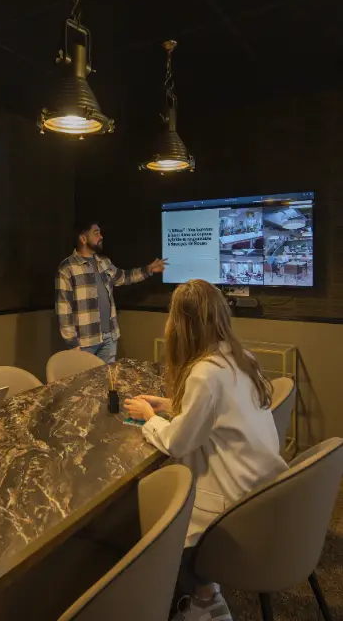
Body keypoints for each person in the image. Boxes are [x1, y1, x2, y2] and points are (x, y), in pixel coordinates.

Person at [124, 279, 287, 621]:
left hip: (234, 507)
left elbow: (179, 441)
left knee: (162, 518)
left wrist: (150, 416)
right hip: (264, 492)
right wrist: (171, 404)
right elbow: (218, 412)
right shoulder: (241, 360)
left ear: (182, 324)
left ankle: (204, 597)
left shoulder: (203, 375)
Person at [55, 221, 167, 364]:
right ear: (83, 239)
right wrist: (72, 343)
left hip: (109, 337)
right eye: (96, 233)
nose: (101, 237)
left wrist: (149, 269)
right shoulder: (67, 268)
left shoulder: (104, 262)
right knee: (86, 384)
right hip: (85, 342)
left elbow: (123, 277)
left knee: (107, 382)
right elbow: (63, 309)